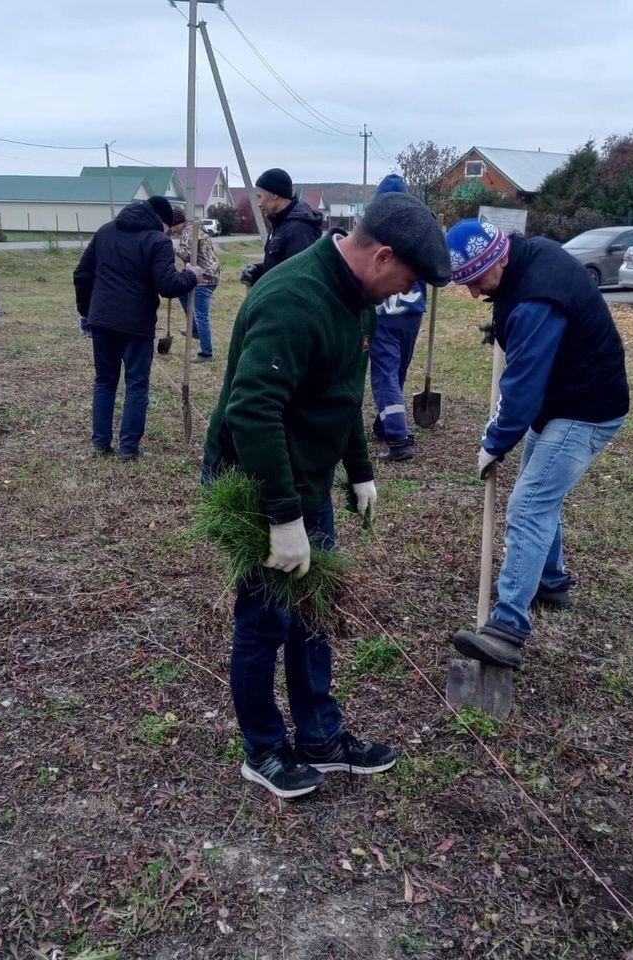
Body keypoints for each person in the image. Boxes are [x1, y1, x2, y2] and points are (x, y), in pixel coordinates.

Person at [203, 191, 452, 799]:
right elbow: (252, 411)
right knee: (265, 621)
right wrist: (281, 516)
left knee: (313, 612)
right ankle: (262, 749)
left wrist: (360, 468)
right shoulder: (294, 300)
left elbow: (341, 395)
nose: (404, 292)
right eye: (408, 278)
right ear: (383, 255)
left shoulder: (357, 298)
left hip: (307, 477)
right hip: (256, 480)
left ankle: (320, 736)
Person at [445, 219, 629, 670]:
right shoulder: (531, 257)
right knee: (539, 493)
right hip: (564, 400)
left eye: (476, 280)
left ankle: (507, 629)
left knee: (529, 505)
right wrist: (502, 324)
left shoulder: (534, 302)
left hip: (586, 409)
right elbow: (526, 326)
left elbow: (522, 390)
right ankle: (551, 580)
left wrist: (495, 441)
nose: (473, 293)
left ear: (499, 257)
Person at [73, 196, 203, 459]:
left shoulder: (105, 231)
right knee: (136, 384)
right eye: (168, 226)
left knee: (104, 381)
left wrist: (87, 312)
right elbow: (167, 285)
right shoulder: (158, 241)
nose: (168, 231)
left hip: (103, 321)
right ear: (162, 220)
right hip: (136, 324)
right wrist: (192, 276)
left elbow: (81, 274)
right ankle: (129, 448)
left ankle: (100, 443)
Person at [367, 175, 427, 462]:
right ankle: (385, 422)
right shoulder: (417, 228)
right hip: (412, 314)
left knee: (385, 375)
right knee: (397, 371)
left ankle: (399, 438)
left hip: (385, 314)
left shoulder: (375, 229)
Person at [239, 168, 323, 288]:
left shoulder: (300, 229)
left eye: (260, 196)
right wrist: (256, 271)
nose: (259, 203)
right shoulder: (280, 223)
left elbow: (298, 277)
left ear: (274, 195)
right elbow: (280, 267)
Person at [172, 208, 222, 363]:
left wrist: (172, 249)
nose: (171, 230)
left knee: (201, 314)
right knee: (181, 291)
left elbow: (186, 254)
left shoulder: (189, 231)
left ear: (176, 224)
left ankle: (206, 352)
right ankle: (193, 327)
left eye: (172, 226)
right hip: (208, 272)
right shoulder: (193, 229)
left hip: (204, 276)